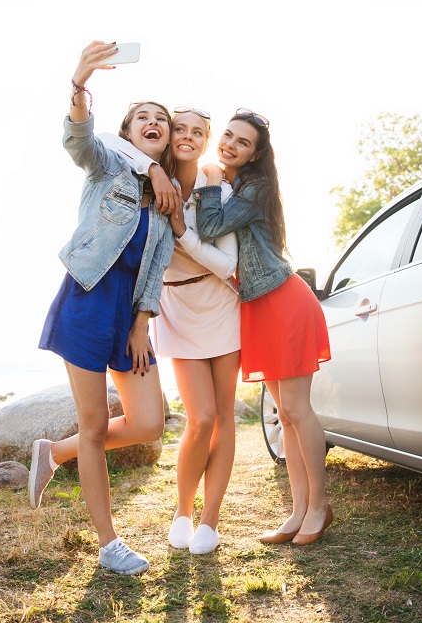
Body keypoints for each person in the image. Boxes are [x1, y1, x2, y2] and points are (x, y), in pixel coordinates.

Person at [26, 40, 175, 576]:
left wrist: (142, 324)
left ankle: (55, 452)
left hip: (129, 314)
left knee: (150, 424)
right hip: (88, 300)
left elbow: (155, 267)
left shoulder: (168, 195)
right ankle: (109, 545)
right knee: (95, 425)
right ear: (129, 131)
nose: (153, 122)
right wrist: (80, 83)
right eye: (143, 117)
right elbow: (80, 139)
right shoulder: (108, 164)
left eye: (162, 118)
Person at [102, 108, 240, 555]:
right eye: (180, 128)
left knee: (223, 419)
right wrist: (155, 169)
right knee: (199, 420)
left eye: (198, 132)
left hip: (220, 303)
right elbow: (105, 138)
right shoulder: (143, 175)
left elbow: (227, 265)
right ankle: (182, 509)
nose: (186, 136)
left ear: (205, 141)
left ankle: (210, 520)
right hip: (175, 307)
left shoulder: (216, 184)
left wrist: (182, 231)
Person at [193, 109, 333, 546]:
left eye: (242, 143)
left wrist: (212, 181)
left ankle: (319, 506)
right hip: (258, 306)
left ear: (254, 155)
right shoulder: (238, 185)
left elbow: (211, 225)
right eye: (228, 136)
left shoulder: (254, 187)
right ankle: (296, 511)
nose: (230, 144)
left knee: (296, 409)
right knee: (284, 416)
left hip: (284, 301)